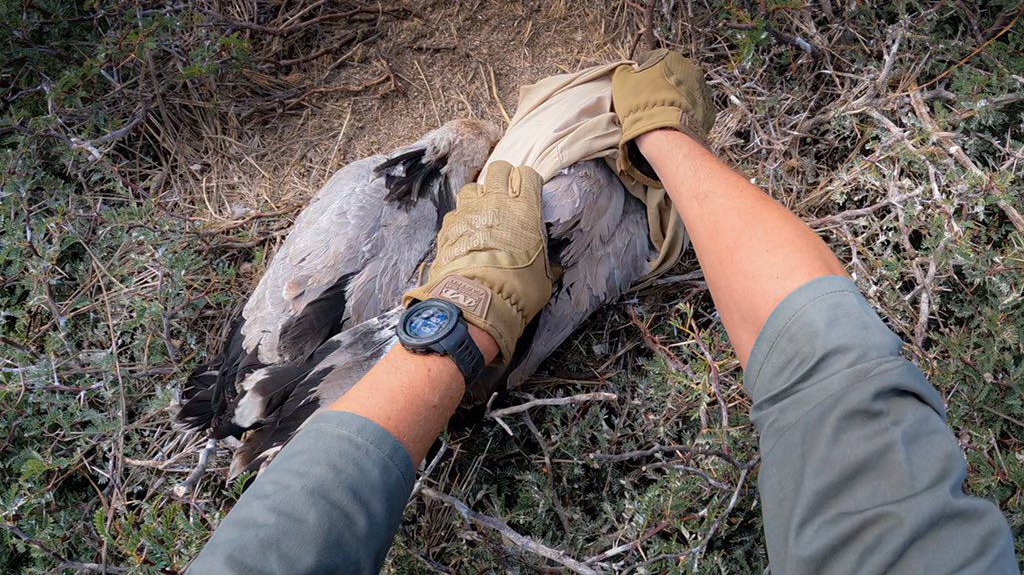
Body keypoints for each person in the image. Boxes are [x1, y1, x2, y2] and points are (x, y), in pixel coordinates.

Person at [186, 53, 1019, 574]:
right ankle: (463, 314)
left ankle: (452, 328)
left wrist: (469, 299)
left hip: (299, 436)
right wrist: (664, 138)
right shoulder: (911, 545)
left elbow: (835, 376)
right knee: (483, 174)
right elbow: (835, 379)